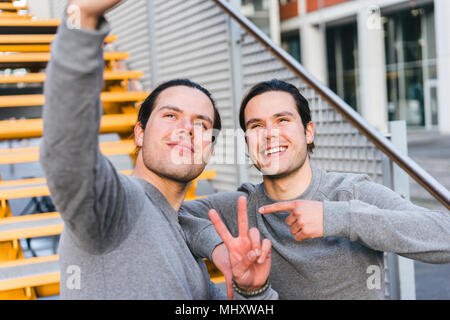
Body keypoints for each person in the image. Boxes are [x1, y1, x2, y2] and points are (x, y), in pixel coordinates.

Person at [40, 0, 275, 300]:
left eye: (202, 124)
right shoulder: (114, 206)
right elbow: (67, 150)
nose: (187, 128)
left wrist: (253, 291)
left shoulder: (188, 248)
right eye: (170, 115)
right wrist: (81, 19)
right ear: (139, 133)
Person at [181, 79, 450, 299]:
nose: (269, 134)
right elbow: (170, 214)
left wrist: (338, 218)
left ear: (308, 132)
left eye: (282, 120)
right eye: (256, 126)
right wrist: (217, 248)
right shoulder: (240, 208)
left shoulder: (350, 193)